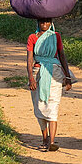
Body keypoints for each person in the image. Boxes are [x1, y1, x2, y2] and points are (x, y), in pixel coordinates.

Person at [26, 17, 74, 151]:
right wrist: (31, 78)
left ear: (51, 23)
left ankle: (51, 141)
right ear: (38, 23)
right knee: (39, 105)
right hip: (38, 72)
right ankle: (45, 138)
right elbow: (30, 60)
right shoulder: (32, 38)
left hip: (55, 73)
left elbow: (62, 56)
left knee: (53, 105)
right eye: (42, 22)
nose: (44, 24)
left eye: (47, 22)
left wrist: (68, 76)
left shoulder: (55, 36)